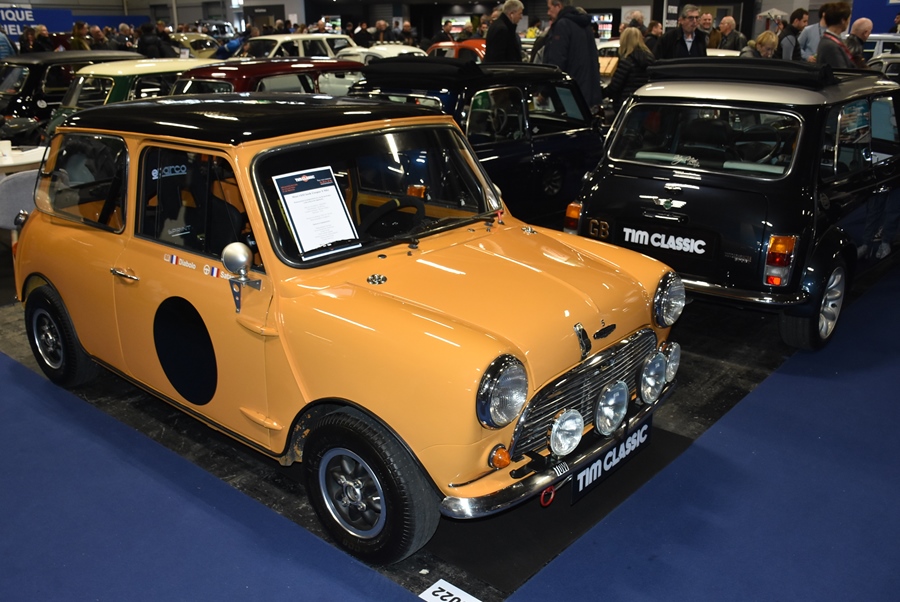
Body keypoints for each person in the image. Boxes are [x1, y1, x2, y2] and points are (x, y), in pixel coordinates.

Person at [542, 0, 602, 113]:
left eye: (549, 8)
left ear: (558, 6)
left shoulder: (562, 25)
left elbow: (556, 62)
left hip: (568, 94)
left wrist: (545, 91)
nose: (548, 13)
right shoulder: (585, 26)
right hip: (588, 92)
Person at [604, 27, 655, 111]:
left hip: (626, 103)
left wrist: (600, 94)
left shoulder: (627, 61)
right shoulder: (650, 58)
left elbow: (615, 86)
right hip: (644, 102)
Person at [816, 2, 854, 70]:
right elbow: (841, 71)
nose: (848, 22)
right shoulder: (830, 45)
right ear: (843, 21)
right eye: (849, 19)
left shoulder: (832, 41)